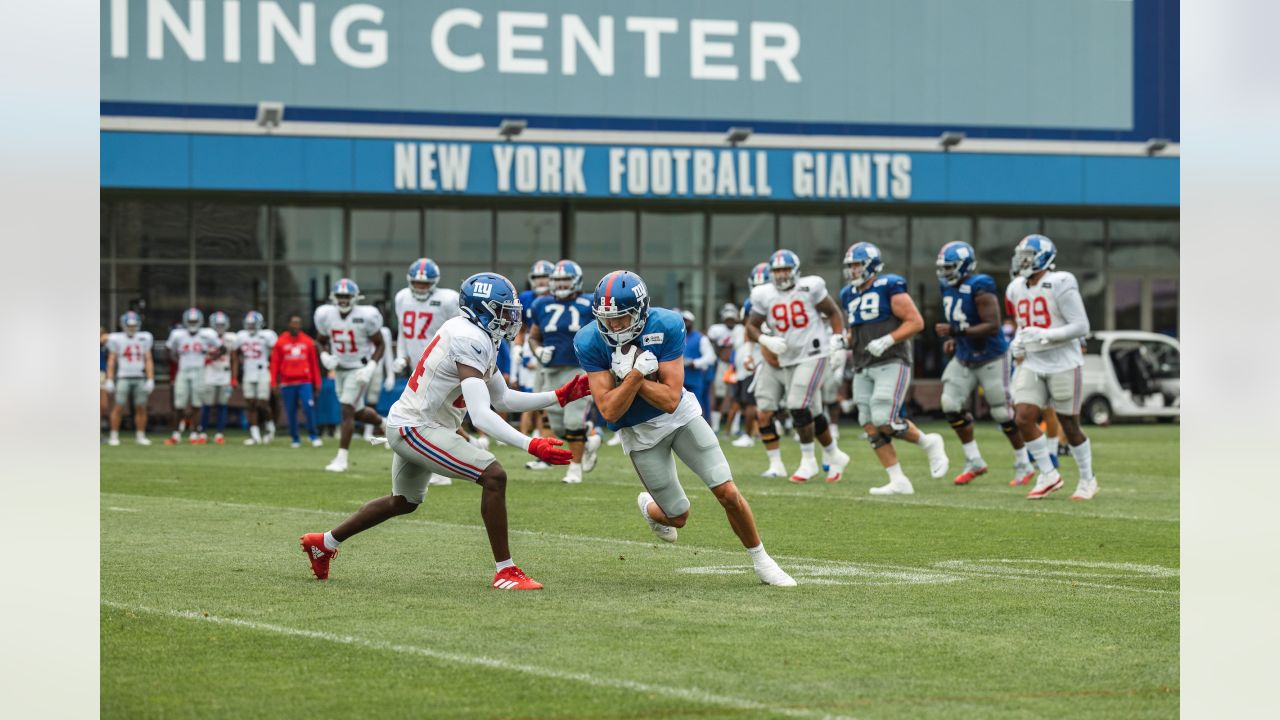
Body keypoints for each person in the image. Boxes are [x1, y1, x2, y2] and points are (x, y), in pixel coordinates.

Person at [300, 272, 590, 591]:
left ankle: (324, 543)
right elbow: (480, 415)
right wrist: (531, 444)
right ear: (482, 309)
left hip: (414, 424)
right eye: (503, 309)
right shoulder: (470, 338)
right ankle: (505, 570)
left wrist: (558, 396)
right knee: (494, 476)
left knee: (404, 501)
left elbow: (502, 397)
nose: (511, 317)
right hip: (418, 427)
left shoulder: (476, 334)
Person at [574, 270, 795, 587]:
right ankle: (650, 508)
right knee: (678, 516)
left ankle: (763, 561)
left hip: (681, 419)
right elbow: (609, 410)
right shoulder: (589, 340)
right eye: (607, 318)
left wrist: (629, 379)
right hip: (639, 434)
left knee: (727, 491)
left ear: (641, 310)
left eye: (622, 317)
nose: (614, 325)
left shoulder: (665, 324)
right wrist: (637, 375)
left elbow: (670, 399)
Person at [840, 242, 949, 495]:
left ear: (871, 265)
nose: (854, 270)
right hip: (862, 364)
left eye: (857, 265)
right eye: (851, 266)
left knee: (884, 419)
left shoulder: (888, 286)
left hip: (892, 361)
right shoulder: (849, 294)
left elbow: (916, 322)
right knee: (868, 423)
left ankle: (929, 442)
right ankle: (898, 479)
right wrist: (842, 342)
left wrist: (889, 339)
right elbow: (856, 330)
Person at [934, 241, 1036, 486]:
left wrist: (955, 331)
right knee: (949, 403)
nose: (945, 272)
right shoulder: (946, 286)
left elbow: (992, 325)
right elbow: (958, 317)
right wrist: (953, 338)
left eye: (950, 267)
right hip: (964, 355)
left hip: (991, 355)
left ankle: (1023, 463)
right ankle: (974, 460)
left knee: (1001, 411)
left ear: (965, 266)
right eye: (943, 267)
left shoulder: (980, 285)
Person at [1005, 234, 1098, 500]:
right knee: (1022, 416)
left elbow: (1082, 326)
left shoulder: (1061, 282)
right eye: (1020, 256)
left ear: (1043, 258)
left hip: (1063, 362)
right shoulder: (1015, 288)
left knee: (1069, 424)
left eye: (1028, 256)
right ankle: (1048, 473)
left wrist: (1047, 335)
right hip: (1033, 361)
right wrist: (1019, 342)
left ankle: (1087, 479)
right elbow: (1024, 325)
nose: (1022, 261)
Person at [745, 250, 850, 483]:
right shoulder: (764, 294)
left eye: (785, 269)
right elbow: (751, 326)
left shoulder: (810, 287)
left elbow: (833, 312)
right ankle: (835, 454)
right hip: (788, 358)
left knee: (796, 405)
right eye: (777, 271)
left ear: (795, 270)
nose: (781, 275)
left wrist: (838, 340)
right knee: (812, 411)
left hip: (814, 353)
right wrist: (765, 339)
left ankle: (808, 461)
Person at [527, 259, 600, 483]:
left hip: (579, 369)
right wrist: (538, 351)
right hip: (551, 372)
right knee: (558, 427)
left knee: (573, 422)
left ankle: (575, 470)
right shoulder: (540, 304)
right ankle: (589, 438)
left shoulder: (589, 303)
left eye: (565, 280)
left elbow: (602, 334)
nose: (560, 284)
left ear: (576, 280)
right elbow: (533, 336)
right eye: (557, 280)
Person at [314, 278, 387, 472]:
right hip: (339, 369)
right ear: (333, 297)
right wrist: (324, 355)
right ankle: (385, 424)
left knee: (346, 409)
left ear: (355, 298)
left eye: (347, 296)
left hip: (358, 369)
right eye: (340, 296)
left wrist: (371, 366)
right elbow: (320, 340)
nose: (343, 300)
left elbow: (380, 344)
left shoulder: (366, 315)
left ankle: (342, 459)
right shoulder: (325, 315)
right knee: (357, 412)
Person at [512, 260, 555, 441]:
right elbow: (521, 329)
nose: (541, 281)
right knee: (534, 397)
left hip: (555, 350)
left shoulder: (559, 298)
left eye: (544, 277)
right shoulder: (527, 298)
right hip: (533, 348)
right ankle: (537, 435)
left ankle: (587, 431)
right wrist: (518, 347)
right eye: (537, 277)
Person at [731, 264, 770, 448]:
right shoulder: (750, 304)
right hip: (755, 359)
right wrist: (748, 355)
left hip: (770, 358)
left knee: (755, 402)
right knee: (748, 401)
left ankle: (753, 434)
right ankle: (752, 434)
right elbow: (749, 330)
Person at [165, 308, 217, 445]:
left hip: (199, 371)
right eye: (190, 321)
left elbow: (221, 348)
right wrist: (177, 360)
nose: (192, 323)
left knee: (196, 404)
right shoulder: (178, 334)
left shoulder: (207, 334)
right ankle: (176, 434)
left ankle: (195, 433)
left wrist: (212, 357)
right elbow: (169, 350)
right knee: (179, 404)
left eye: (195, 321)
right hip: (183, 371)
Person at [104, 311, 155, 446]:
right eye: (129, 325)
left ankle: (140, 435)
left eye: (134, 325)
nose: (132, 328)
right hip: (123, 377)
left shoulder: (144, 337)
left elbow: (148, 359)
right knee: (118, 407)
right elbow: (112, 359)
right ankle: (114, 435)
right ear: (123, 325)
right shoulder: (116, 339)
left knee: (141, 407)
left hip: (139, 376)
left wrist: (150, 378)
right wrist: (110, 378)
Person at [271, 316, 323, 448]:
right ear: (289, 324)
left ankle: (313, 435)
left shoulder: (307, 341)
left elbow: (313, 364)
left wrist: (317, 382)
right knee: (290, 411)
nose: (295, 326)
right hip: (287, 383)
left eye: (298, 324)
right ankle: (295, 438)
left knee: (308, 407)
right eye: (293, 324)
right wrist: (273, 383)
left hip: (304, 381)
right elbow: (274, 364)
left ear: (300, 326)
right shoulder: (280, 341)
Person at [237, 311, 277, 445]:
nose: (251, 327)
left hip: (263, 371)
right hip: (248, 372)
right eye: (249, 324)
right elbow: (235, 353)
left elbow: (275, 354)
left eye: (253, 324)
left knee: (263, 404)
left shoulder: (267, 335)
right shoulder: (241, 336)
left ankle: (270, 428)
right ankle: (255, 435)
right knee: (250, 404)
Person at [198, 311, 238, 445]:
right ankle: (202, 432)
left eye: (222, 324)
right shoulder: (206, 336)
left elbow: (234, 359)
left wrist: (234, 378)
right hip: (209, 373)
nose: (220, 327)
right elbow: (200, 356)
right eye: (217, 324)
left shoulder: (231, 338)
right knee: (206, 405)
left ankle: (220, 433)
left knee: (222, 405)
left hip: (224, 374)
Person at [680, 309, 718, 423]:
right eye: (683, 320)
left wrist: (695, 363)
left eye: (687, 321)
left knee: (697, 404)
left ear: (692, 322)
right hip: (680, 377)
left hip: (695, 377)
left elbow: (711, 357)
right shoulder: (678, 336)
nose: (685, 323)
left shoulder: (701, 338)